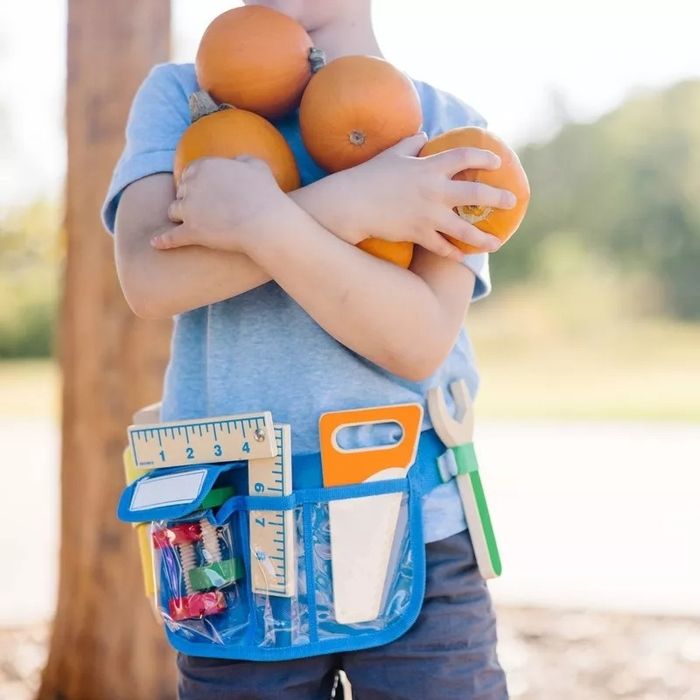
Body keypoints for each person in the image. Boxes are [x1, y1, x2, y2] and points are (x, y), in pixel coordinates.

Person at [103, 1, 514, 697]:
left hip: (417, 530)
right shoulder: (185, 98)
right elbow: (150, 277)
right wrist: (351, 203)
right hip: (227, 537)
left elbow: (414, 342)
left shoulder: (449, 130)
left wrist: (259, 221)